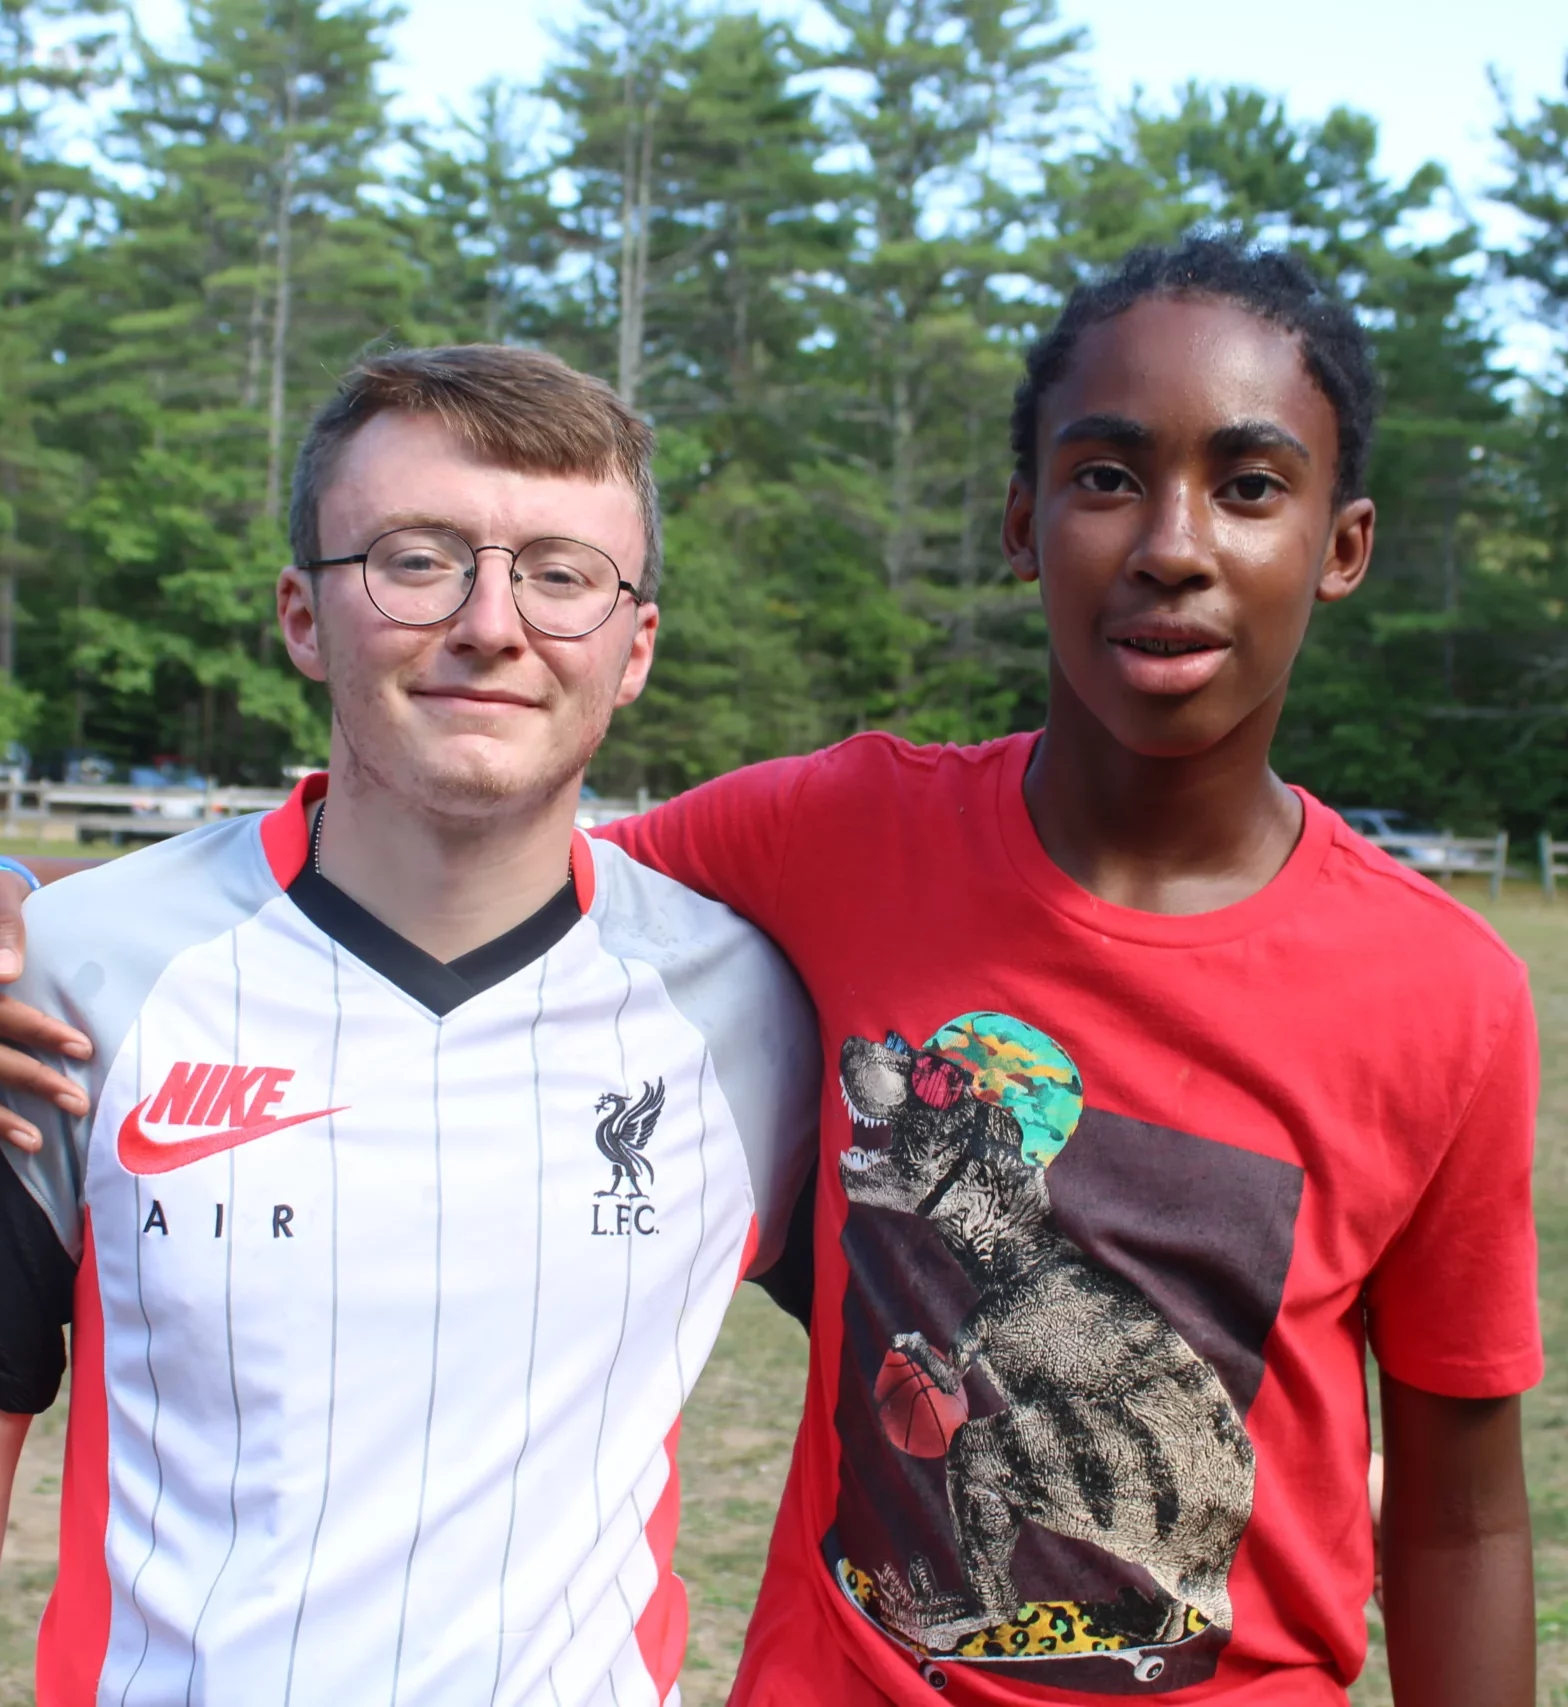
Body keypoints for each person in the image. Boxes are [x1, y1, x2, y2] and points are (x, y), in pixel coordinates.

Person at [0, 237, 1538, 1706]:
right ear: (1022, 520)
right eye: (1109, 476)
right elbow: (461, 831)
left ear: (1342, 545)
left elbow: (1458, 1511)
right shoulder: (834, 837)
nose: (1176, 544)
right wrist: (19, 900)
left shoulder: (1441, 994)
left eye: (1250, 483)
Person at [0, 344, 818, 1707]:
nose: (491, 623)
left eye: (562, 574)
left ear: (635, 649)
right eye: (415, 558)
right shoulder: (76, 978)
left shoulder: (755, 1017)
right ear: (303, 615)